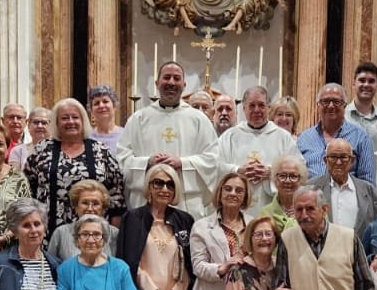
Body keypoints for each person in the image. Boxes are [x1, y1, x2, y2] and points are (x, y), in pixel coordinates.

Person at [119, 60, 220, 212]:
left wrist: (182, 163)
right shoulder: (138, 119)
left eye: (176, 78)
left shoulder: (199, 119)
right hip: (146, 202)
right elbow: (122, 160)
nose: (171, 82)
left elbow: (212, 159)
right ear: (157, 83)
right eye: (166, 77)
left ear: (184, 85)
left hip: (187, 203)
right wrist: (148, 163)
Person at [24, 97, 126, 236]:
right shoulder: (42, 150)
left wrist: (114, 236)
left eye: (75, 117)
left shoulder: (100, 151)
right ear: (56, 123)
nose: (71, 122)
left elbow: (117, 197)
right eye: (65, 118)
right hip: (48, 233)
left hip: (94, 235)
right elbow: (28, 191)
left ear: (83, 121)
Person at [219, 84, 297, 210]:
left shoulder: (283, 137)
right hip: (236, 208)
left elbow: (298, 169)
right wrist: (237, 170)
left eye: (261, 105)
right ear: (244, 109)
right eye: (251, 105)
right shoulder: (230, 136)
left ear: (269, 108)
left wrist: (271, 172)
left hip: (273, 208)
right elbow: (215, 165)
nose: (256, 110)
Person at [297, 82, 376, 184]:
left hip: (347, 197)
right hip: (311, 197)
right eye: (325, 101)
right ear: (318, 105)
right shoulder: (304, 138)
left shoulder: (361, 137)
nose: (330, 106)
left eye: (336, 101)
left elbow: (367, 182)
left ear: (345, 105)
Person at [312, 137, 377, 232]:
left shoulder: (370, 192)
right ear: (325, 160)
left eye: (343, 157)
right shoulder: (311, 188)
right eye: (333, 157)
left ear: (352, 160)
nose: (338, 162)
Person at [47, 180, 120, 259]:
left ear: (103, 208)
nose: (90, 208)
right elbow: (51, 266)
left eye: (95, 203)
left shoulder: (114, 234)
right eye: (85, 203)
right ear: (75, 206)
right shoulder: (61, 233)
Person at [257, 153, 308, 230]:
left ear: (302, 180)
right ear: (274, 179)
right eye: (282, 176)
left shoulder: (314, 209)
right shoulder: (265, 213)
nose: (287, 181)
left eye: (293, 176)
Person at [343, 61, 377, 147]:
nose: (366, 85)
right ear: (353, 83)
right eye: (362, 80)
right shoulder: (341, 117)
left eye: (371, 81)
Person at [86, 84, 123, 152]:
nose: (101, 106)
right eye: (96, 103)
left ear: (114, 106)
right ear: (91, 110)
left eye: (105, 101)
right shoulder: (86, 138)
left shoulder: (125, 135)